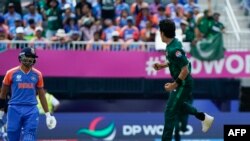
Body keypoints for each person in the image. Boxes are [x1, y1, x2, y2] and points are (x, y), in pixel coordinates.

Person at [153, 19, 214, 141]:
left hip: (184, 83)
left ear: (162, 33)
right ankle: (204, 117)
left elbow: (185, 69)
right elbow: (175, 62)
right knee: (178, 106)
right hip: (182, 83)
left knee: (170, 111)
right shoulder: (173, 44)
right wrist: (162, 65)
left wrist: (174, 85)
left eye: (160, 31)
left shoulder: (174, 49)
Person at [0, 47, 57, 141]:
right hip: (14, 108)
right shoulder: (10, 73)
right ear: (21, 57)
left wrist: (48, 114)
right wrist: (1, 111)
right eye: (28, 56)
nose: (30, 59)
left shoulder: (38, 74)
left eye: (32, 57)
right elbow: (3, 93)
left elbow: (41, 95)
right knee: (12, 136)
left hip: (31, 109)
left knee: (30, 136)